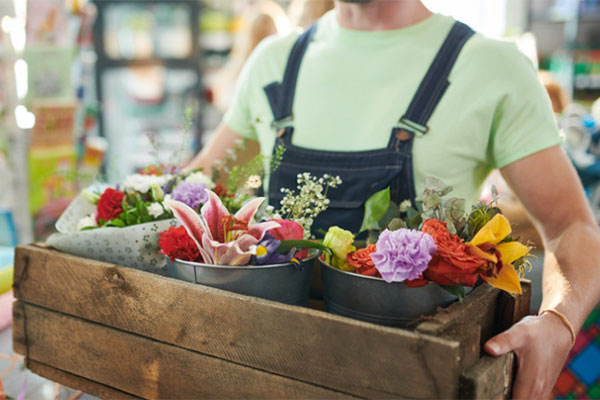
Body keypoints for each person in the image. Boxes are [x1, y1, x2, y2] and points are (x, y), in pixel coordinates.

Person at [187, 1, 600, 398]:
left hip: (412, 379)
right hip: (259, 371)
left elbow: (571, 226)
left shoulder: (492, 67)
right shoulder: (274, 62)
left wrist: (558, 323)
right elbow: (193, 189)